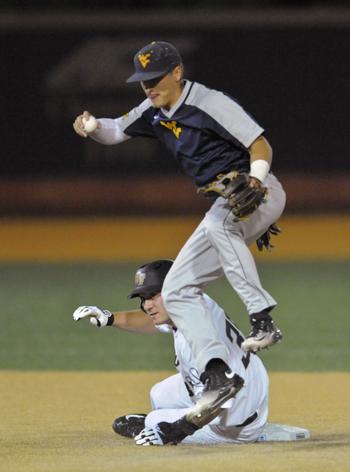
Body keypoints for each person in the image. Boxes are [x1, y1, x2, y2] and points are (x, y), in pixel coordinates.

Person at [73, 41, 286, 423]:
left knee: (220, 223)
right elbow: (116, 130)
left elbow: (260, 144)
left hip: (258, 190)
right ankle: (217, 375)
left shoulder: (209, 102)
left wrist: (254, 181)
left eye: (155, 78)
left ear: (177, 72)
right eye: (142, 81)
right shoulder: (152, 110)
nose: (148, 87)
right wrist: (91, 127)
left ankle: (262, 319)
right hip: (224, 206)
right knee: (176, 289)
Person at [73, 260, 309, 446]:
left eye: (153, 295)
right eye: (144, 298)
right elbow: (151, 321)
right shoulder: (191, 303)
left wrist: (175, 430)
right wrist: (110, 318)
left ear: (173, 290)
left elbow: (219, 401)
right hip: (247, 384)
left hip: (232, 420)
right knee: (159, 394)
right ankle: (174, 416)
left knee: (155, 422)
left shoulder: (198, 340)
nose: (147, 305)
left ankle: (246, 432)